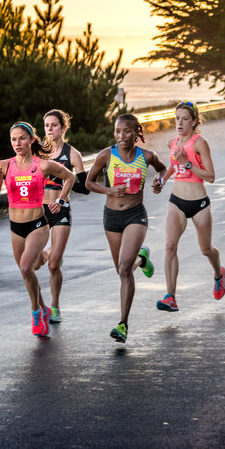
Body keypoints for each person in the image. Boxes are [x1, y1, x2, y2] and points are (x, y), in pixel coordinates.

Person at [0, 121, 76, 338]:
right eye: (13, 139)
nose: (17, 143)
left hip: (38, 224)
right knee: (27, 272)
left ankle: (36, 313)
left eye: (22, 138)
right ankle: (44, 308)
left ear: (31, 140)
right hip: (15, 227)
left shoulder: (43, 165)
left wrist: (62, 200)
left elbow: (70, 177)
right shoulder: (4, 165)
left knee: (26, 268)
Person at [86, 113, 165, 343]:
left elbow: (163, 169)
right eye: (118, 131)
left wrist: (159, 182)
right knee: (123, 271)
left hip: (135, 215)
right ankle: (143, 259)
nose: (122, 136)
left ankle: (123, 324)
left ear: (136, 132)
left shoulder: (147, 156)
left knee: (123, 267)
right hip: (111, 218)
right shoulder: (106, 156)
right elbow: (89, 182)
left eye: (127, 131)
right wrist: (108, 190)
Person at [157, 101, 225, 312]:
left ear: (194, 121)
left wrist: (187, 162)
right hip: (176, 201)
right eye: (177, 118)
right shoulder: (172, 142)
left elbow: (211, 176)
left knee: (206, 249)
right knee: (170, 246)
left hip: (199, 203)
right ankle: (171, 296)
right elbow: (172, 166)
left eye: (185, 118)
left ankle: (218, 274)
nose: (179, 122)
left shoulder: (199, 143)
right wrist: (161, 181)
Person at [37, 109, 85, 325]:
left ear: (63, 128)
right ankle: (49, 252)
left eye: (54, 125)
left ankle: (54, 306)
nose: (49, 129)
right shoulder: (37, 153)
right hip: (39, 211)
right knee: (37, 263)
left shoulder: (72, 154)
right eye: (47, 125)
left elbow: (81, 184)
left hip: (60, 210)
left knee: (54, 265)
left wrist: (62, 199)